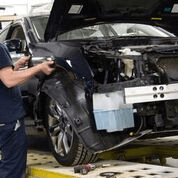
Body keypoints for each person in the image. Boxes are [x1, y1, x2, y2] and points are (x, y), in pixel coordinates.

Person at [0, 43, 54, 178]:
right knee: (12, 168)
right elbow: (9, 80)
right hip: (7, 118)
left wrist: (15, 66)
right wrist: (39, 67)